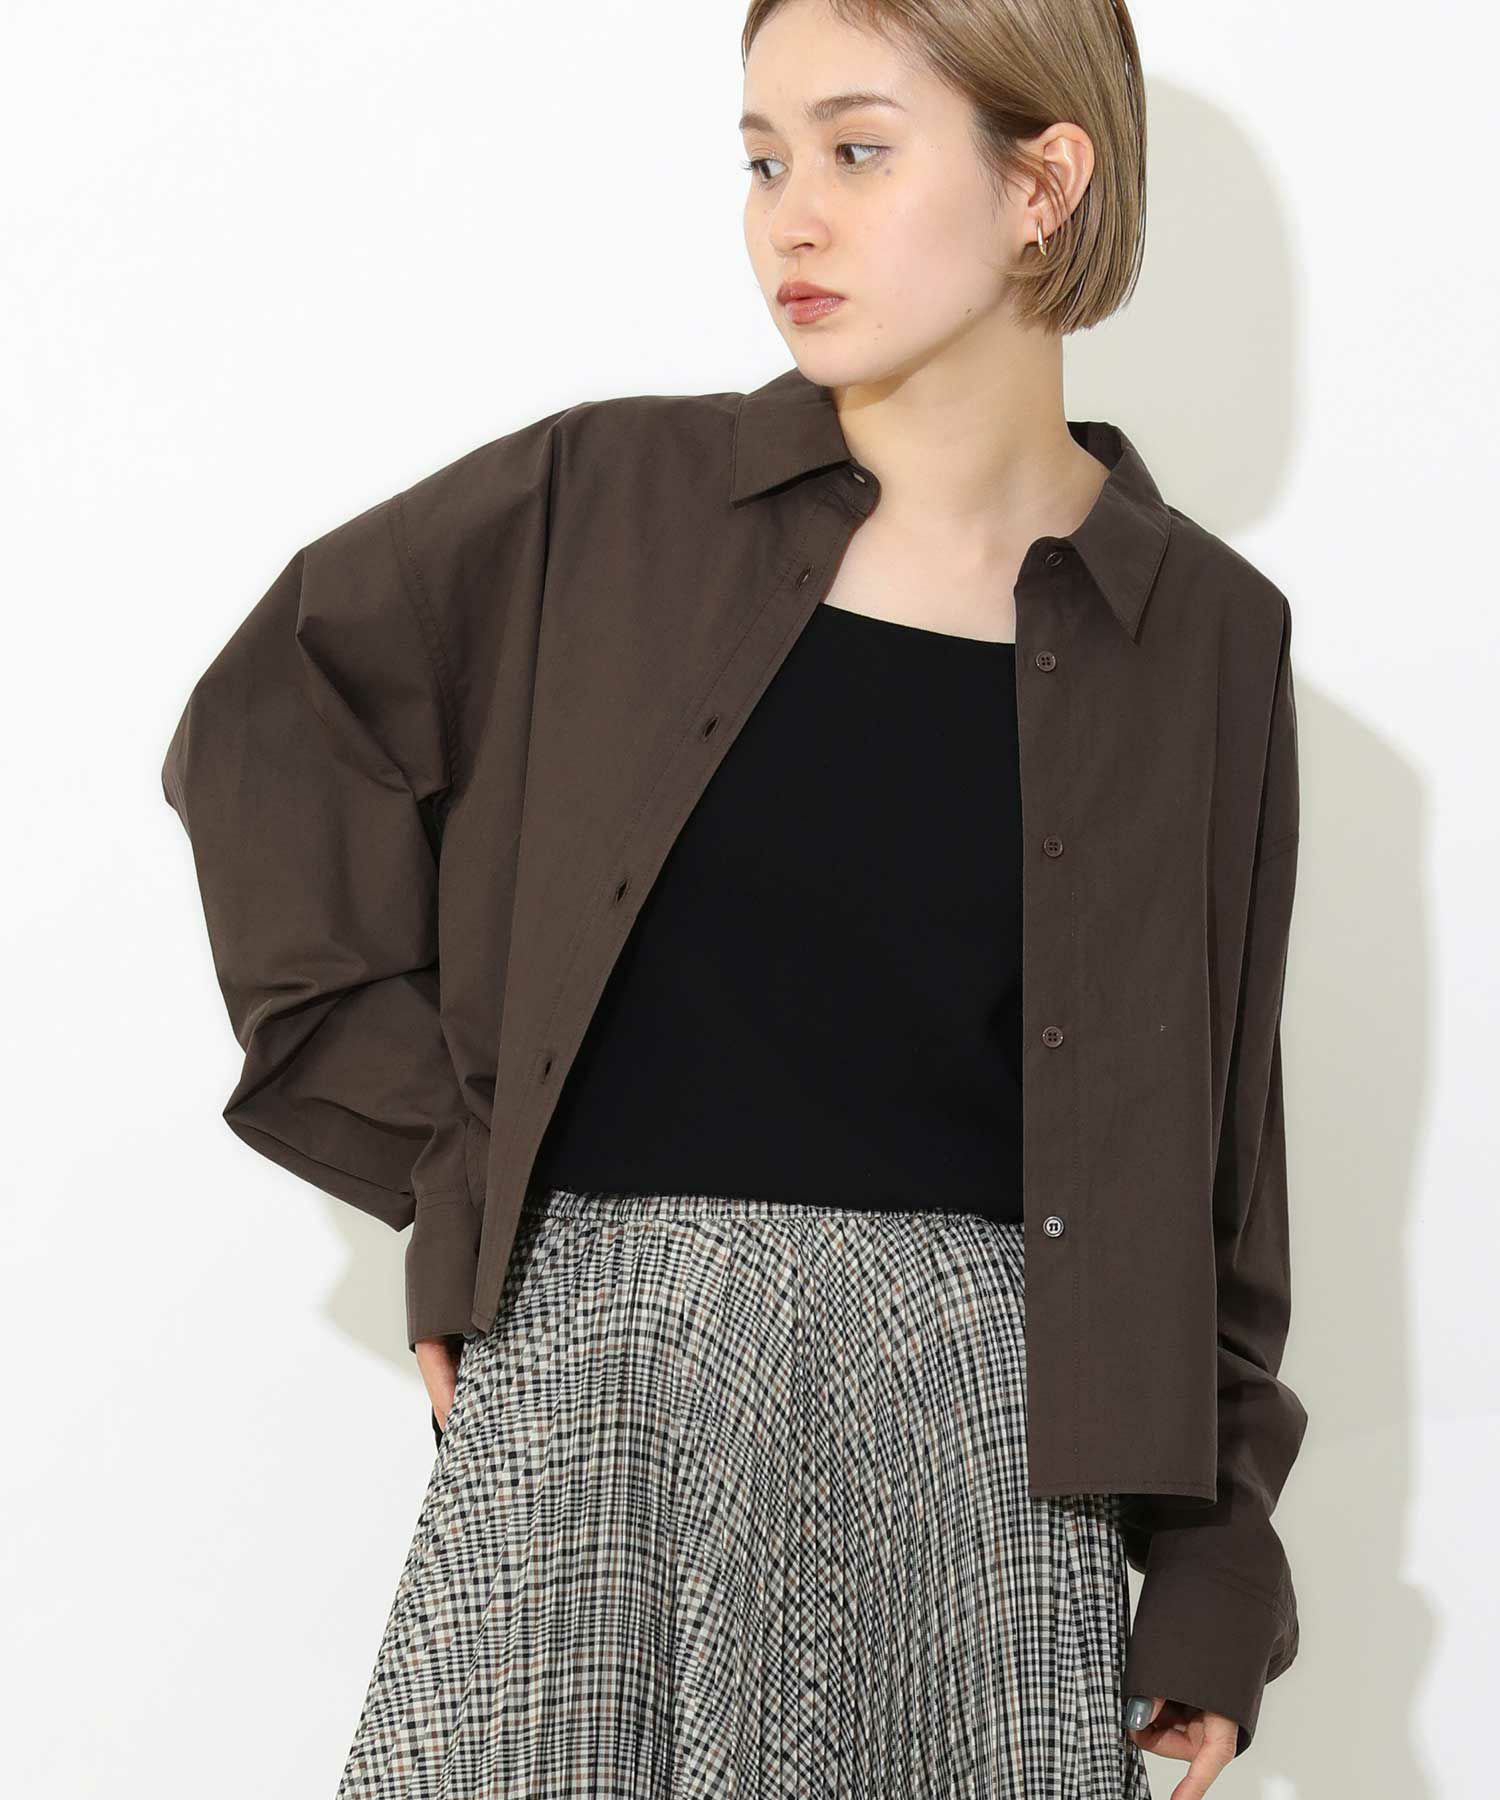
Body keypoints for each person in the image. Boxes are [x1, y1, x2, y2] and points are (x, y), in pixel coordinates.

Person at [160, 0, 1308, 1793]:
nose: (793, 217)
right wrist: (461, 1175)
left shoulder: (1204, 637)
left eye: (857, 150)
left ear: (1044, 185)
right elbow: (275, 730)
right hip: (603, 1394)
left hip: (988, 1457)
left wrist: (1217, 1574)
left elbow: (1217, 1155)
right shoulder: (601, 502)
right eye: (763, 161)